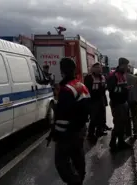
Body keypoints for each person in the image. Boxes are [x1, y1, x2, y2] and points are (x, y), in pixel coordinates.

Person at [53, 57, 90, 185]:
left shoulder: (66, 90)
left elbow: (63, 116)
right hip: (80, 129)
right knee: (78, 156)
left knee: (61, 161)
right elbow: (86, 107)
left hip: (69, 132)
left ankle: (75, 182)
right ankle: (80, 177)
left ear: (62, 70)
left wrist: (57, 133)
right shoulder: (81, 85)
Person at [107, 57, 132, 151]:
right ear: (121, 65)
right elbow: (112, 90)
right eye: (126, 65)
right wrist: (124, 89)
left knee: (123, 123)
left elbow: (122, 87)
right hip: (117, 104)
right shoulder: (113, 76)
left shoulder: (123, 75)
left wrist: (126, 88)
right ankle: (112, 143)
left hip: (123, 103)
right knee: (118, 124)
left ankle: (121, 142)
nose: (127, 67)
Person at [84, 62, 109, 140]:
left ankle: (100, 130)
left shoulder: (103, 77)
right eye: (97, 68)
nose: (99, 69)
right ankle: (91, 134)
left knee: (101, 116)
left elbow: (104, 88)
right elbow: (87, 90)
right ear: (93, 69)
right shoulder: (89, 77)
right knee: (94, 118)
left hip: (101, 99)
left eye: (100, 68)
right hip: (93, 100)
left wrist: (104, 101)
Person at [126, 67, 137, 138]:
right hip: (134, 100)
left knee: (127, 116)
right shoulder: (135, 78)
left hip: (126, 100)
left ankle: (128, 132)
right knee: (135, 116)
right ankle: (136, 132)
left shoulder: (122, 78)